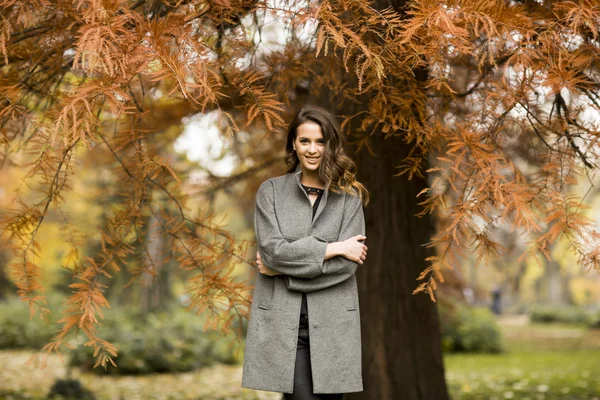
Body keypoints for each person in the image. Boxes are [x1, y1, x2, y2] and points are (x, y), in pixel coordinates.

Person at [242, 105, 369, 399]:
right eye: (305, 141)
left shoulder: (349, 199)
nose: (313, 149)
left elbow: (347, 268)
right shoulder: (270, 192)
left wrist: (283, 271)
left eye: (320, 141)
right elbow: (272, 253)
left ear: (330, 145)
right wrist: (335, 248)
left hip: (335, 324)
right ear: (294, 145)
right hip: (285, 325)